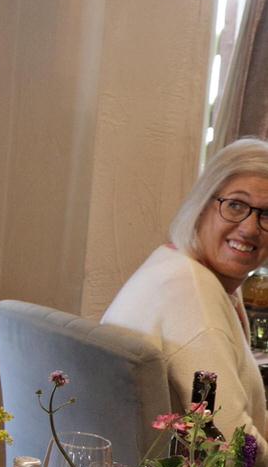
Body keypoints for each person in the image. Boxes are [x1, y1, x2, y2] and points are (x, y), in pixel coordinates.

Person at [102, 137, 268, 440]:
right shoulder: (190, 293)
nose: (250, 227)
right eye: (235, 205)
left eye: (266, 214)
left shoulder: (175, 264)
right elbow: (227, 443)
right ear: (202, 205)